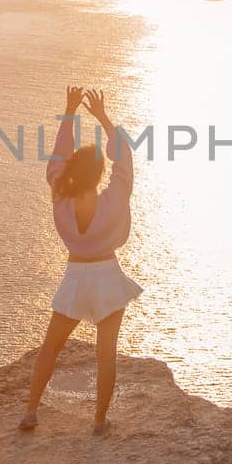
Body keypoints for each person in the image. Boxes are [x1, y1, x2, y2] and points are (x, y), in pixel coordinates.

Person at [19, 86, 142, 435]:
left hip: (76, 276)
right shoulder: (115, 196)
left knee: (51, 348)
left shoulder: (61, 196)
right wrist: (103, 118)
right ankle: (100, 421)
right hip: (107, 276)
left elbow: (58, 160)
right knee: (106, 354)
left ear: (74, 171)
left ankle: (30, 412)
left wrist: (69, 113)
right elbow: (125, 159)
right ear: (100, 174)